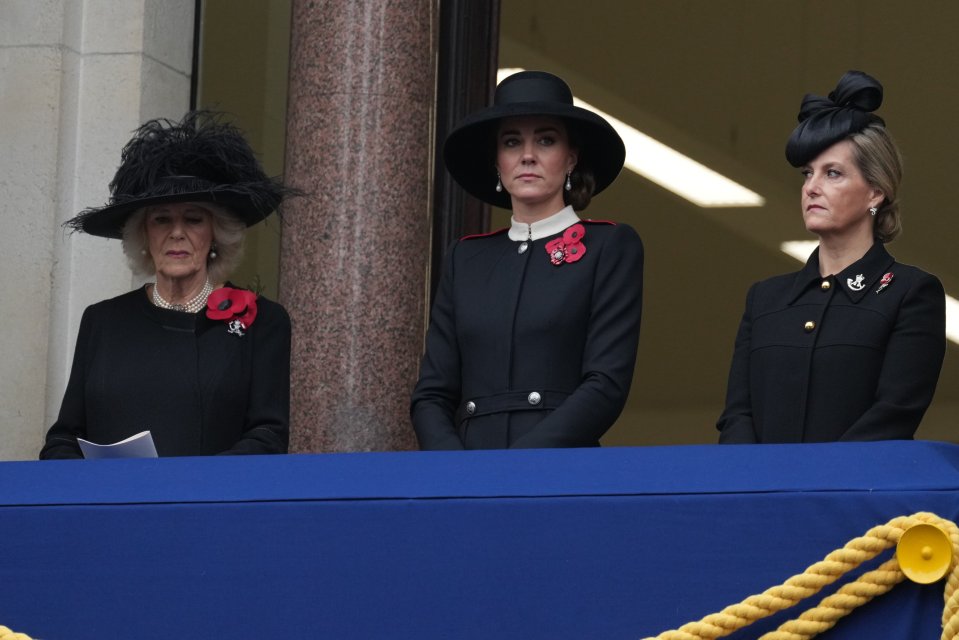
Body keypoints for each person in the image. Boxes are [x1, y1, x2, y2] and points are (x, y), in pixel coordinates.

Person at [40, 111, 296, 458]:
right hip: (112, 507)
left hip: (210, 505)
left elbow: (267, 436)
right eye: (162, 220)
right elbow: (63, 438)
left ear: (216, 234)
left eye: (193, 219)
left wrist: (185, 485)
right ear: (144, 235)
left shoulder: (263, 322)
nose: (177, 232)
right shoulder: (102, 321)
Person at [411, 70, 644, 449]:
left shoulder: (609, 246)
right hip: (467, 474)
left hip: (560, 469)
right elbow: (432, 394)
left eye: (546, 140)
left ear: (571, 158)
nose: (528, 155)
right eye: (512, 142)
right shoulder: (465, 258)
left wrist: (522, 466)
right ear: (498, 163)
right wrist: (454, 470)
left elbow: (606, 384)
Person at [717, 71, 945, 443]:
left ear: (876, 192)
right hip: (763, 495)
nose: (811, 188)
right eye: (808, 174)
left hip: (851, 497)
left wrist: (817, 486)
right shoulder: (765, 300)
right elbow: (737, 417)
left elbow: (893, 416)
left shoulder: (911, 294)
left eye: (833, 173)